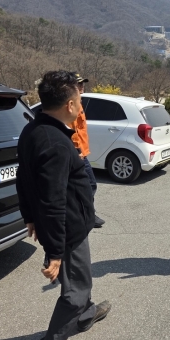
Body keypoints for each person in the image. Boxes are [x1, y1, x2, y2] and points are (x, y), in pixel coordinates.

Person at [17, 70, 111, 340]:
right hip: (68, 230)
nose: (81, 106)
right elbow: (53, 201)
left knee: (81, 278)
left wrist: (29, 216)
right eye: (79, 100)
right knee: (75, 294)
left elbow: (23, 178)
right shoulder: (55, 143)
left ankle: (85, 315)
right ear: (69, 105)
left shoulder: (33, 129)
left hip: (70, 224)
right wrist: (55, 252)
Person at [70, 72, 105, 229]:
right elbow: (72, 130)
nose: (81, 86)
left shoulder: (79, 102)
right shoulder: (70, 105)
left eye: (82, 83)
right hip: (77, 153)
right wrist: (76, 150)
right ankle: (85, 215)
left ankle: (86, 213)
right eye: (78, 84)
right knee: (88, 185)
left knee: (88, 185)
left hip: (82, 152)